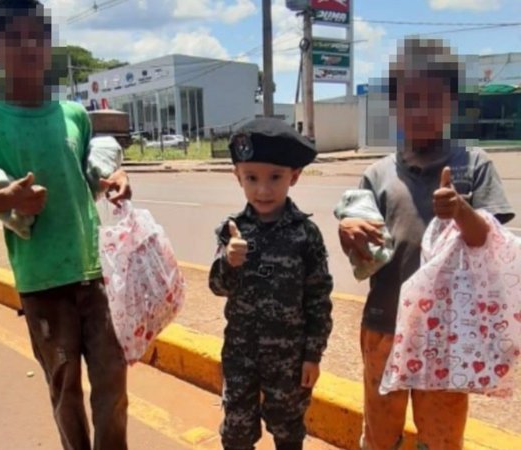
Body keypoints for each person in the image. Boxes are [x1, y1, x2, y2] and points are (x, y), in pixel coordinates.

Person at [0, 1, 132, 449]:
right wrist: (2, 199)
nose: (28, 46)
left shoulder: (74, 116)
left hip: (94, 276)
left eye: (37, 37)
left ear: (48, 47)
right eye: (14, 38)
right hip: (42, 284)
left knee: (113, 385)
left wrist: (117, 179)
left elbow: (91, 177)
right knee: (65, 390)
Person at [337, 37, 515, 450]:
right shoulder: (377, 176)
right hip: (384, 325)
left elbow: (491, 243)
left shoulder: (474, 165)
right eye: (409, 100)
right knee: (380, 436)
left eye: (432, 101)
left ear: (450, 104)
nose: (420, 112)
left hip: (447, 336)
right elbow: (362, 255)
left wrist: (462, 211)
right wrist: (348, 232)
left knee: (442, 439)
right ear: (395, 107)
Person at [209, 118, 334, 450]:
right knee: (236, 432)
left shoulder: (305, 235)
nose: (263, 190)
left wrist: (312, 355)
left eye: (275, 178)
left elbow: (319, 299)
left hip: (289, 359)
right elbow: (217, 287)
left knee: (288, 431)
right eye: (251, 178)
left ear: (294, 176)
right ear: (238, 177)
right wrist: (228, 263)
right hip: (241, 354)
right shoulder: (231, 231)